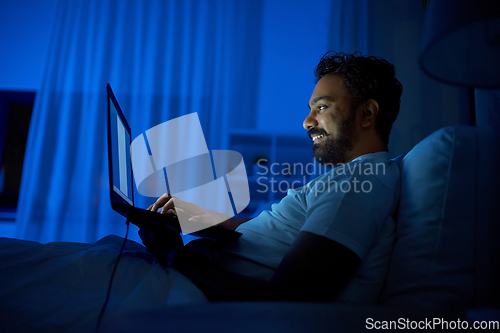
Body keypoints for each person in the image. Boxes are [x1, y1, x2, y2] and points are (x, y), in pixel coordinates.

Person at [139, 51, 403, 304]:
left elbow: (287, 296)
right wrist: (199, 219)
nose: (307, 122)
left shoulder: (356, 184)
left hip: (191, 287)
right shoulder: (351, 179)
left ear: (367, 114)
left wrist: (174, 254)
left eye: (321, 107)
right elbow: (277, 235)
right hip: (189, 278)